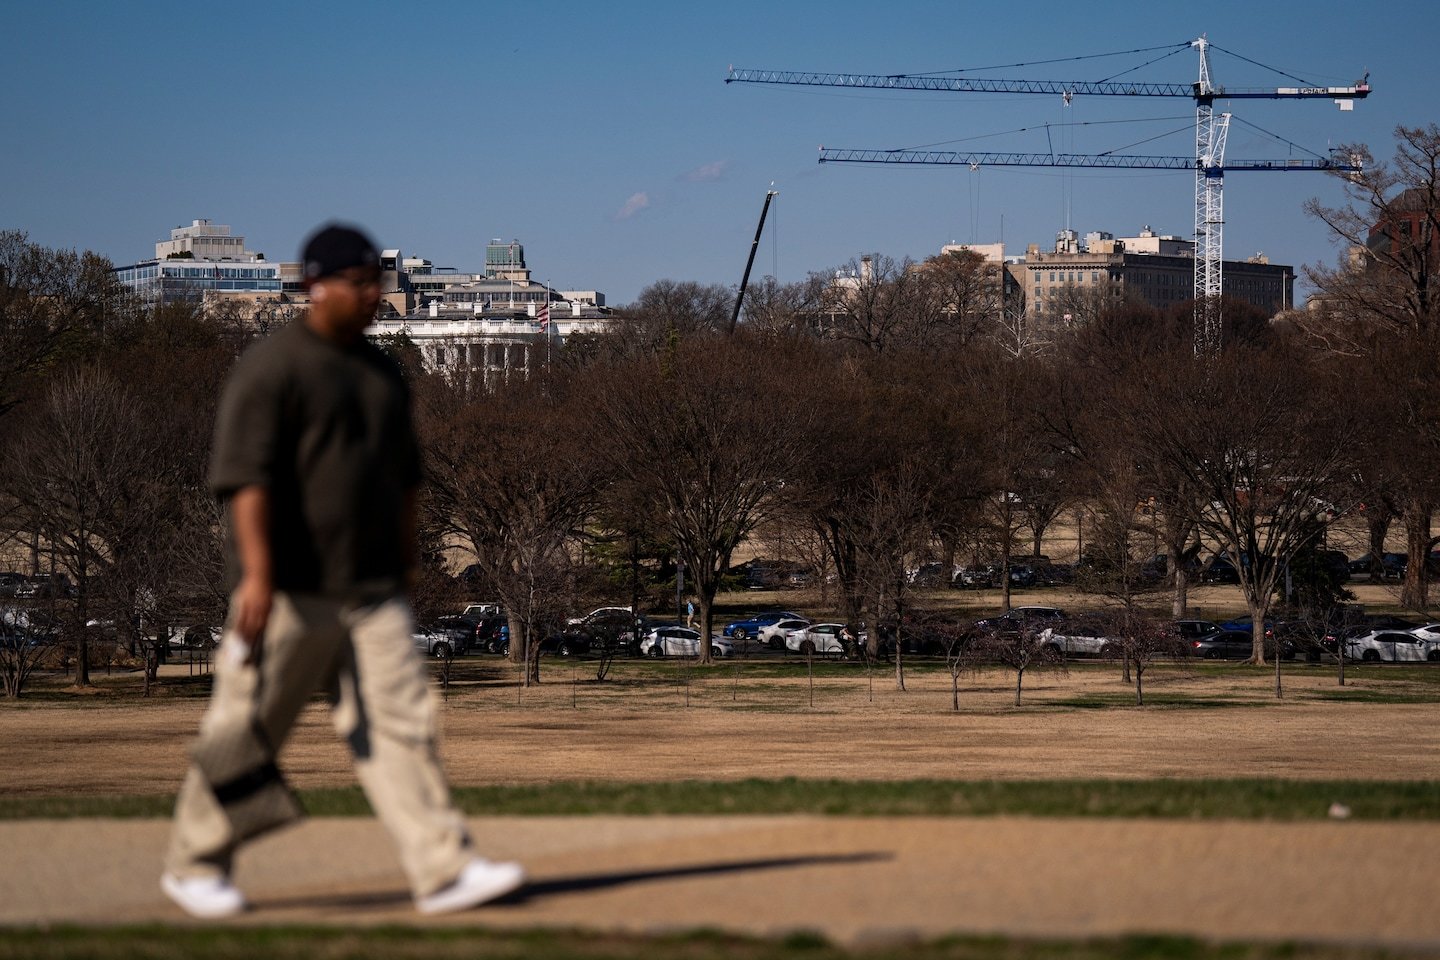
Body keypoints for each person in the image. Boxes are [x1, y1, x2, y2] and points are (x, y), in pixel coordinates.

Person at [161, 224, 525, 919]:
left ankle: (442, 867)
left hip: (370, 587)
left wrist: (408, 560)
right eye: (356, 284)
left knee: (402, 727)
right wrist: (258, 579)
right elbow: (245, 482)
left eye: (375, 282)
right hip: (290, 585)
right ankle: (194, 864)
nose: (370, 296)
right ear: (315, 288)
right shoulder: (271, 369)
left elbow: (405, 476)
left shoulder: (382, 371)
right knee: (247, 727)